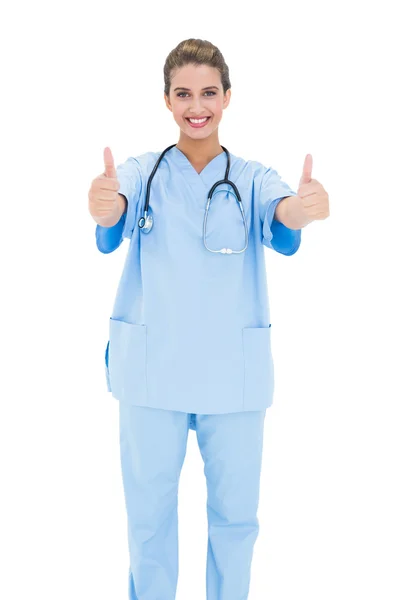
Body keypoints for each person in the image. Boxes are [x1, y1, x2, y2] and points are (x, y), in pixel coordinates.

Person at [88, 38, 329, 600]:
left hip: (232, 378)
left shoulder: (250, 177)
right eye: (183, 93)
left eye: (208, 92)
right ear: (167, 101)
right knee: (148, 523)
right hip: (153, 377)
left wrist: (304, 207)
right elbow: (112, 205)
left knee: (235, 522)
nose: (197, 105)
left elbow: (283, 212)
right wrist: (105, 203)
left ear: (227, 98)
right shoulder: (143, 172)